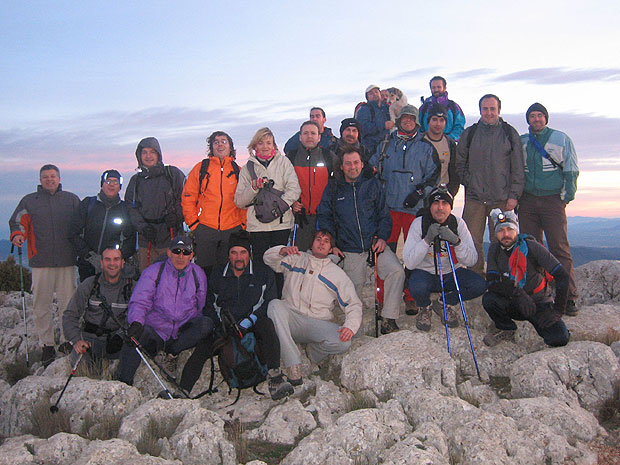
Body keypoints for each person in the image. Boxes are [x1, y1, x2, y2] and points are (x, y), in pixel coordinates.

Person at [181, 231, 294, 399]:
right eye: (234, 253)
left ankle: (276, 379)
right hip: (225, 326)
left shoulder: (262, 273)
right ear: (228, 255)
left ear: (250, 254)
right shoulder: (218, 274)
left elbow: (269, 301)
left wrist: (249, 321)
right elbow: (209, 302)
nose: (238, 257)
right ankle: (182, 390)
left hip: (253, 323)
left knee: (267, 327)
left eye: (243, 252)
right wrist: (221, 324)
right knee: (204, 346)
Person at [317, 149, 405, 335]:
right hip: (349, 248)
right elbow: (324, 216)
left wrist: (382, 237)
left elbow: (384, 214)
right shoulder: (333, 188)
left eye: (356, 162)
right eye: (348, 163)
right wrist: (332, 243)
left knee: (396, 271)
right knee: (352, 288)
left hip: (374, 245)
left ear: (362, 164)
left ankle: (389, 318)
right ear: (341, 166)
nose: (352, 167)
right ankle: (352, 325)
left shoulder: (372, 185)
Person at [265, 230, 362, 385]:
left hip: (316, 324)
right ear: (312, 243)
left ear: (331, 249)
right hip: (292, 319)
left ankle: (313, 355)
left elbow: (353, 303)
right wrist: (282, 250)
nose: (321, 243)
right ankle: (293, 364)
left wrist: (350, 326)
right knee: (275, 305)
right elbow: (268, 259)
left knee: (344, 342)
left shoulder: (336, 274)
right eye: (318, 239)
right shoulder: (297, 258)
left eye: (326, 241)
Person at [118, 236, 212, 389]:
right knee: (136, 336)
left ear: (191, 255)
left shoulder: (198, 273)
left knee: (205, 324)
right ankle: (123, 383)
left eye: (185, 252)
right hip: (157, 331)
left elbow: (200, 305)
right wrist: (136, 322)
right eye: (176, 251)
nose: (180, 256)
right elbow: (140, 300)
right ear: (169, 252)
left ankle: (172, 353)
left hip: (181, 332)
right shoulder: (154, 272)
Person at [9, 164, 80, 367]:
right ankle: (46, 344)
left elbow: (81, 224)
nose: (49, 179)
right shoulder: (30, 201)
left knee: (68, 304)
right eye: (45, 177)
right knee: (41, 304)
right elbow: (18, 222)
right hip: (40, 261)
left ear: (59, 178)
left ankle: (68, 340)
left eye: (52, 176)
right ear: (40, 180)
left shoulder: (71, 200)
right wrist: (17, 235)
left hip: (67, 260)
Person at [519, 103, 580, 316]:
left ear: (546, 118)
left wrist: (566, 196)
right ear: (528, 119)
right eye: (532, 116)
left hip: (552, 200)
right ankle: (538, 293)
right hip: (527, 201)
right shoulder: (522, 141)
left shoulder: (560, 139)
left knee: (559, 248)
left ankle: (568, 297)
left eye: (540, 116)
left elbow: (571, 169)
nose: (536, 119)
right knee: (531, 250)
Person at [456, 94, 525, 276]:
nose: (489, 112)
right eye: (485, 109)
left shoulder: (509, 133)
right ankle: (476, 277)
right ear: (480, 110)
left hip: (502, 199)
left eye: (492, 109)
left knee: (503, 240)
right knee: (472, 240)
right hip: (475, 198)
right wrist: (470, 183)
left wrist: (514, 196)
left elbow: (518, 167)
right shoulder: (470, 134)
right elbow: (459, 162)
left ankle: (501, 277)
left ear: (499, 110)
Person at [482, 210, 570, 347]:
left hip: (538, 302)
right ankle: (507, 328)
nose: (505, 234)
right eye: (500, 231)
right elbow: (491, 282)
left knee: (559, 338)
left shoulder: (531, 247)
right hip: (515, 301)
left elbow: (562, 276)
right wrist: (517, 293)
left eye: (510, 229)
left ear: (516, 230)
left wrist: (558, 311)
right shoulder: (495, 249)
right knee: (489, 299)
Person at [402, 185, 485, 331]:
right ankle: (425, 307)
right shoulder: (419, 224)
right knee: (416, 286)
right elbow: (409, 262)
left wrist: (456, 241)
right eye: (435, 203)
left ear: (450, 207)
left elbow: (471, 260)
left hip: (451, 273)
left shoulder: (458, 224)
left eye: (444, 203)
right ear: (430, 206)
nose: (440, 208)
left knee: (479, 285)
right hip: (425, 274)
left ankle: (443, 302)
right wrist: (427, 240)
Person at [234, 127, 301, 293]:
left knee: (280, 266)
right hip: (258, 227)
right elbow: (239, 201)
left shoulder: (284, 163)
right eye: (261, 143)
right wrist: (253, 188)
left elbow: (294, 189)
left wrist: (278, 208)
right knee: (260, 267)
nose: (265, 146)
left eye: (269, 143)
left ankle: (278, 300)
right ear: (254, 146)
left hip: (281, 225)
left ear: (274, 145)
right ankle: (261, 303)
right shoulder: (247, 169)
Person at [369, 104, 440, 253]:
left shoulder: (426, 147)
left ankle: (413, 277)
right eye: (405, 117)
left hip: (414, 208)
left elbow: (434, 175)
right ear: (399, 120)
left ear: (417, 123)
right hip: (389, 208)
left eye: (412, 118)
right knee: (386, 251)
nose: (408, 121)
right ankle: (386, 276)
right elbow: (372, 168)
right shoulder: (385, 144)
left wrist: (420, 193)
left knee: (415, 252)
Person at [182, 131, 245, 278]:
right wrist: (194, 224)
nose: (220, 144)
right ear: (211, 147)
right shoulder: (201, 168)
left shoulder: (238, 171)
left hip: (232, 229)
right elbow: (188, 196)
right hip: (205, 228)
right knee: (204, 271)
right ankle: (206, 299)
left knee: (227, 270)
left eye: (224, 141)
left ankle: (224, 300)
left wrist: (242, 225)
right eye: (216, 142)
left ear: (230, 146)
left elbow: (245, 202)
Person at [62, 245, 134, 366]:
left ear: (122, 263)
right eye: (107, 259)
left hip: (118, 342)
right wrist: (77, 340)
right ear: (101, 263)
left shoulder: (132, 288)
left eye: (116, 259)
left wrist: (121, 336)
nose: (112, 264)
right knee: (80, 367)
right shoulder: (89, 284)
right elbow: (70, 315)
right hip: (89, 341)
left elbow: (141, 317)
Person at [125, 137, 186, 271]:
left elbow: (186, 198)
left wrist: (177, 216)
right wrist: (142, 227)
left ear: (158, 154)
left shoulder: (172, 174)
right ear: (139, 156)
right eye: (144, 152)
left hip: (171, 235)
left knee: (173, 276)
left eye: (152, 152)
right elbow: (130, 207)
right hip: (146, 240)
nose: (148, 156)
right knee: (148, 278)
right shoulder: (135, 181)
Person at [69, 169, 136, 281]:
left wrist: (115, 259)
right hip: (88, 265)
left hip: (115, 268)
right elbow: (73, 233)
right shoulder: (88, 204)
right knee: (88, 296)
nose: (112, 185)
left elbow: (130, 240)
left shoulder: (125, 209)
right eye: (108, 181)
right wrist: (89, 256)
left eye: (115, 182)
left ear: (120, 186)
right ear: (102, 184)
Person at [287, 121, 338, 251]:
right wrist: (291, 202)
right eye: (305, 133)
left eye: (313, 133)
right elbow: (283, 185)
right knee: (300, 257)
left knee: (322, 259)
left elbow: (339, 185)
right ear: (300, 137)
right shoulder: (291, 157)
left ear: (319, 137)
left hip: (323, 218)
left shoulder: (329, 157)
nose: (309, 136)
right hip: (300, 218)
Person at [422, 104, 460, 197]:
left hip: (442, 195)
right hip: (420, 196)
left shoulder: (450, 143)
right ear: (428, 121)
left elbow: (455, 173)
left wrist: (450, 193)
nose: (438, 124)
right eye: (434, 120)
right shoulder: (419, 142)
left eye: (441, 120)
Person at [418, 76, 466, 141]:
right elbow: (418, 126)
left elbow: (459, 127)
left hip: (448, 145)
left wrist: (447, 140)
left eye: (439, 87)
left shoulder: (453, 107)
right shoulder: (424, 108)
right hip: (427, 145)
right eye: (433, 87)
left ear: (445, 88)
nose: (436, 90)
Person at [355, 84, 393, 154]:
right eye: (371, 93)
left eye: (376, 91)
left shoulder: (387, 108)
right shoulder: (363, 110)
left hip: (387, 148)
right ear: (367, 97)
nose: (374, 94)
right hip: (370, 150)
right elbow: (362, 128)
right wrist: (383, 125)